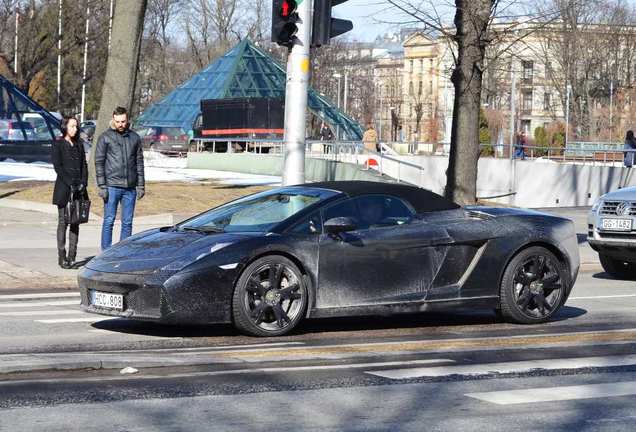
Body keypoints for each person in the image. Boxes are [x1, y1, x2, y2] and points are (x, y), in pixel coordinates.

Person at [94, 106, 145, 251]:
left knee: (127, 222)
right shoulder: (105, 137)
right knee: (109, 220)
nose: (120, 124)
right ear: (113, 119)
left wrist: (141, 186)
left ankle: (123, 251)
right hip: (111, 186)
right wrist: (102, 186)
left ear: (127, 120)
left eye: (123, 121)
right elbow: (99, 162)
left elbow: (139, 163)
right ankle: (106, 251)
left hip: (130, 188)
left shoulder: (134, 137)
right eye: (117, 121)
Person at [51, 116, 88, 269]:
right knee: (63, 222)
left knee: (75, 223)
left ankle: (72, 256)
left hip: (79, 190)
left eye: (76, 126)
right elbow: (58, 167)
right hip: (64, 188)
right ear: (65, 127)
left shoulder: (79, 144)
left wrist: (83, 183)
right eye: (72, 126)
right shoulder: (58, 144)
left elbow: (84, 166)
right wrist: (71, 184)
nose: (75, 129)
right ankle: (62, 256)